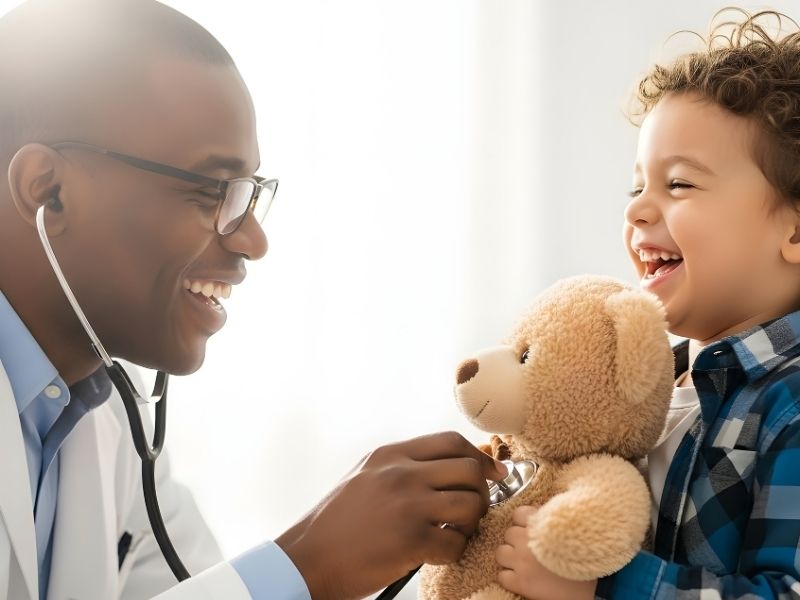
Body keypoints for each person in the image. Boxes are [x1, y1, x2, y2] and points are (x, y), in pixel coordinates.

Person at [0, 1, 509, 599]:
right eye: (209, 192)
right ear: (48, 193)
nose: (252, 240)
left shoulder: (107, 413)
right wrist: (307, 562)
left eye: (247, 195)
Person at [493, 8, 800, 600]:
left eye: (679, 184)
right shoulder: (648, 387)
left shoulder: (788, 407)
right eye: (637, 186)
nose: (637, 209)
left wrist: (603, 585)